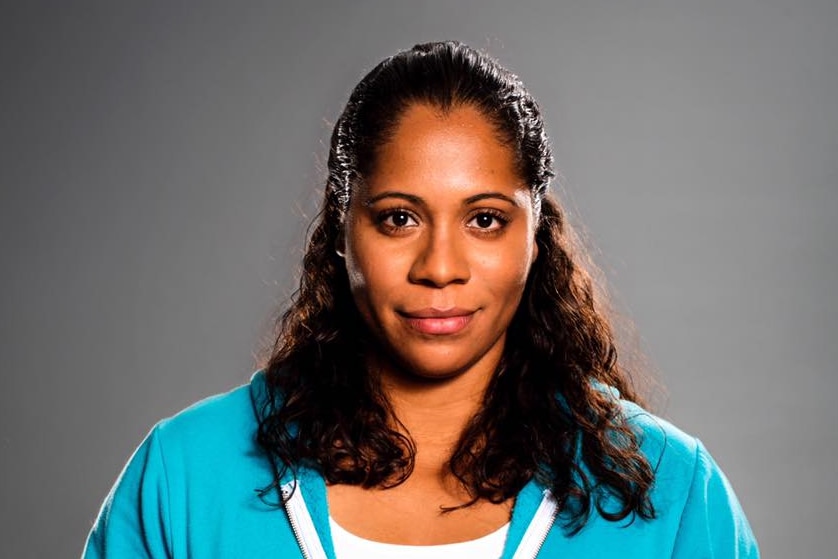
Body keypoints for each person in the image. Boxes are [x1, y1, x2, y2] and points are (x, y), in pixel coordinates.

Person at [83, 41, 759, 558]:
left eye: (486, 219)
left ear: (536, 236)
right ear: (341, 229)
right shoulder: (183, 474)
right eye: (399, 218)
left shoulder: (673, 491)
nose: (440, 267)